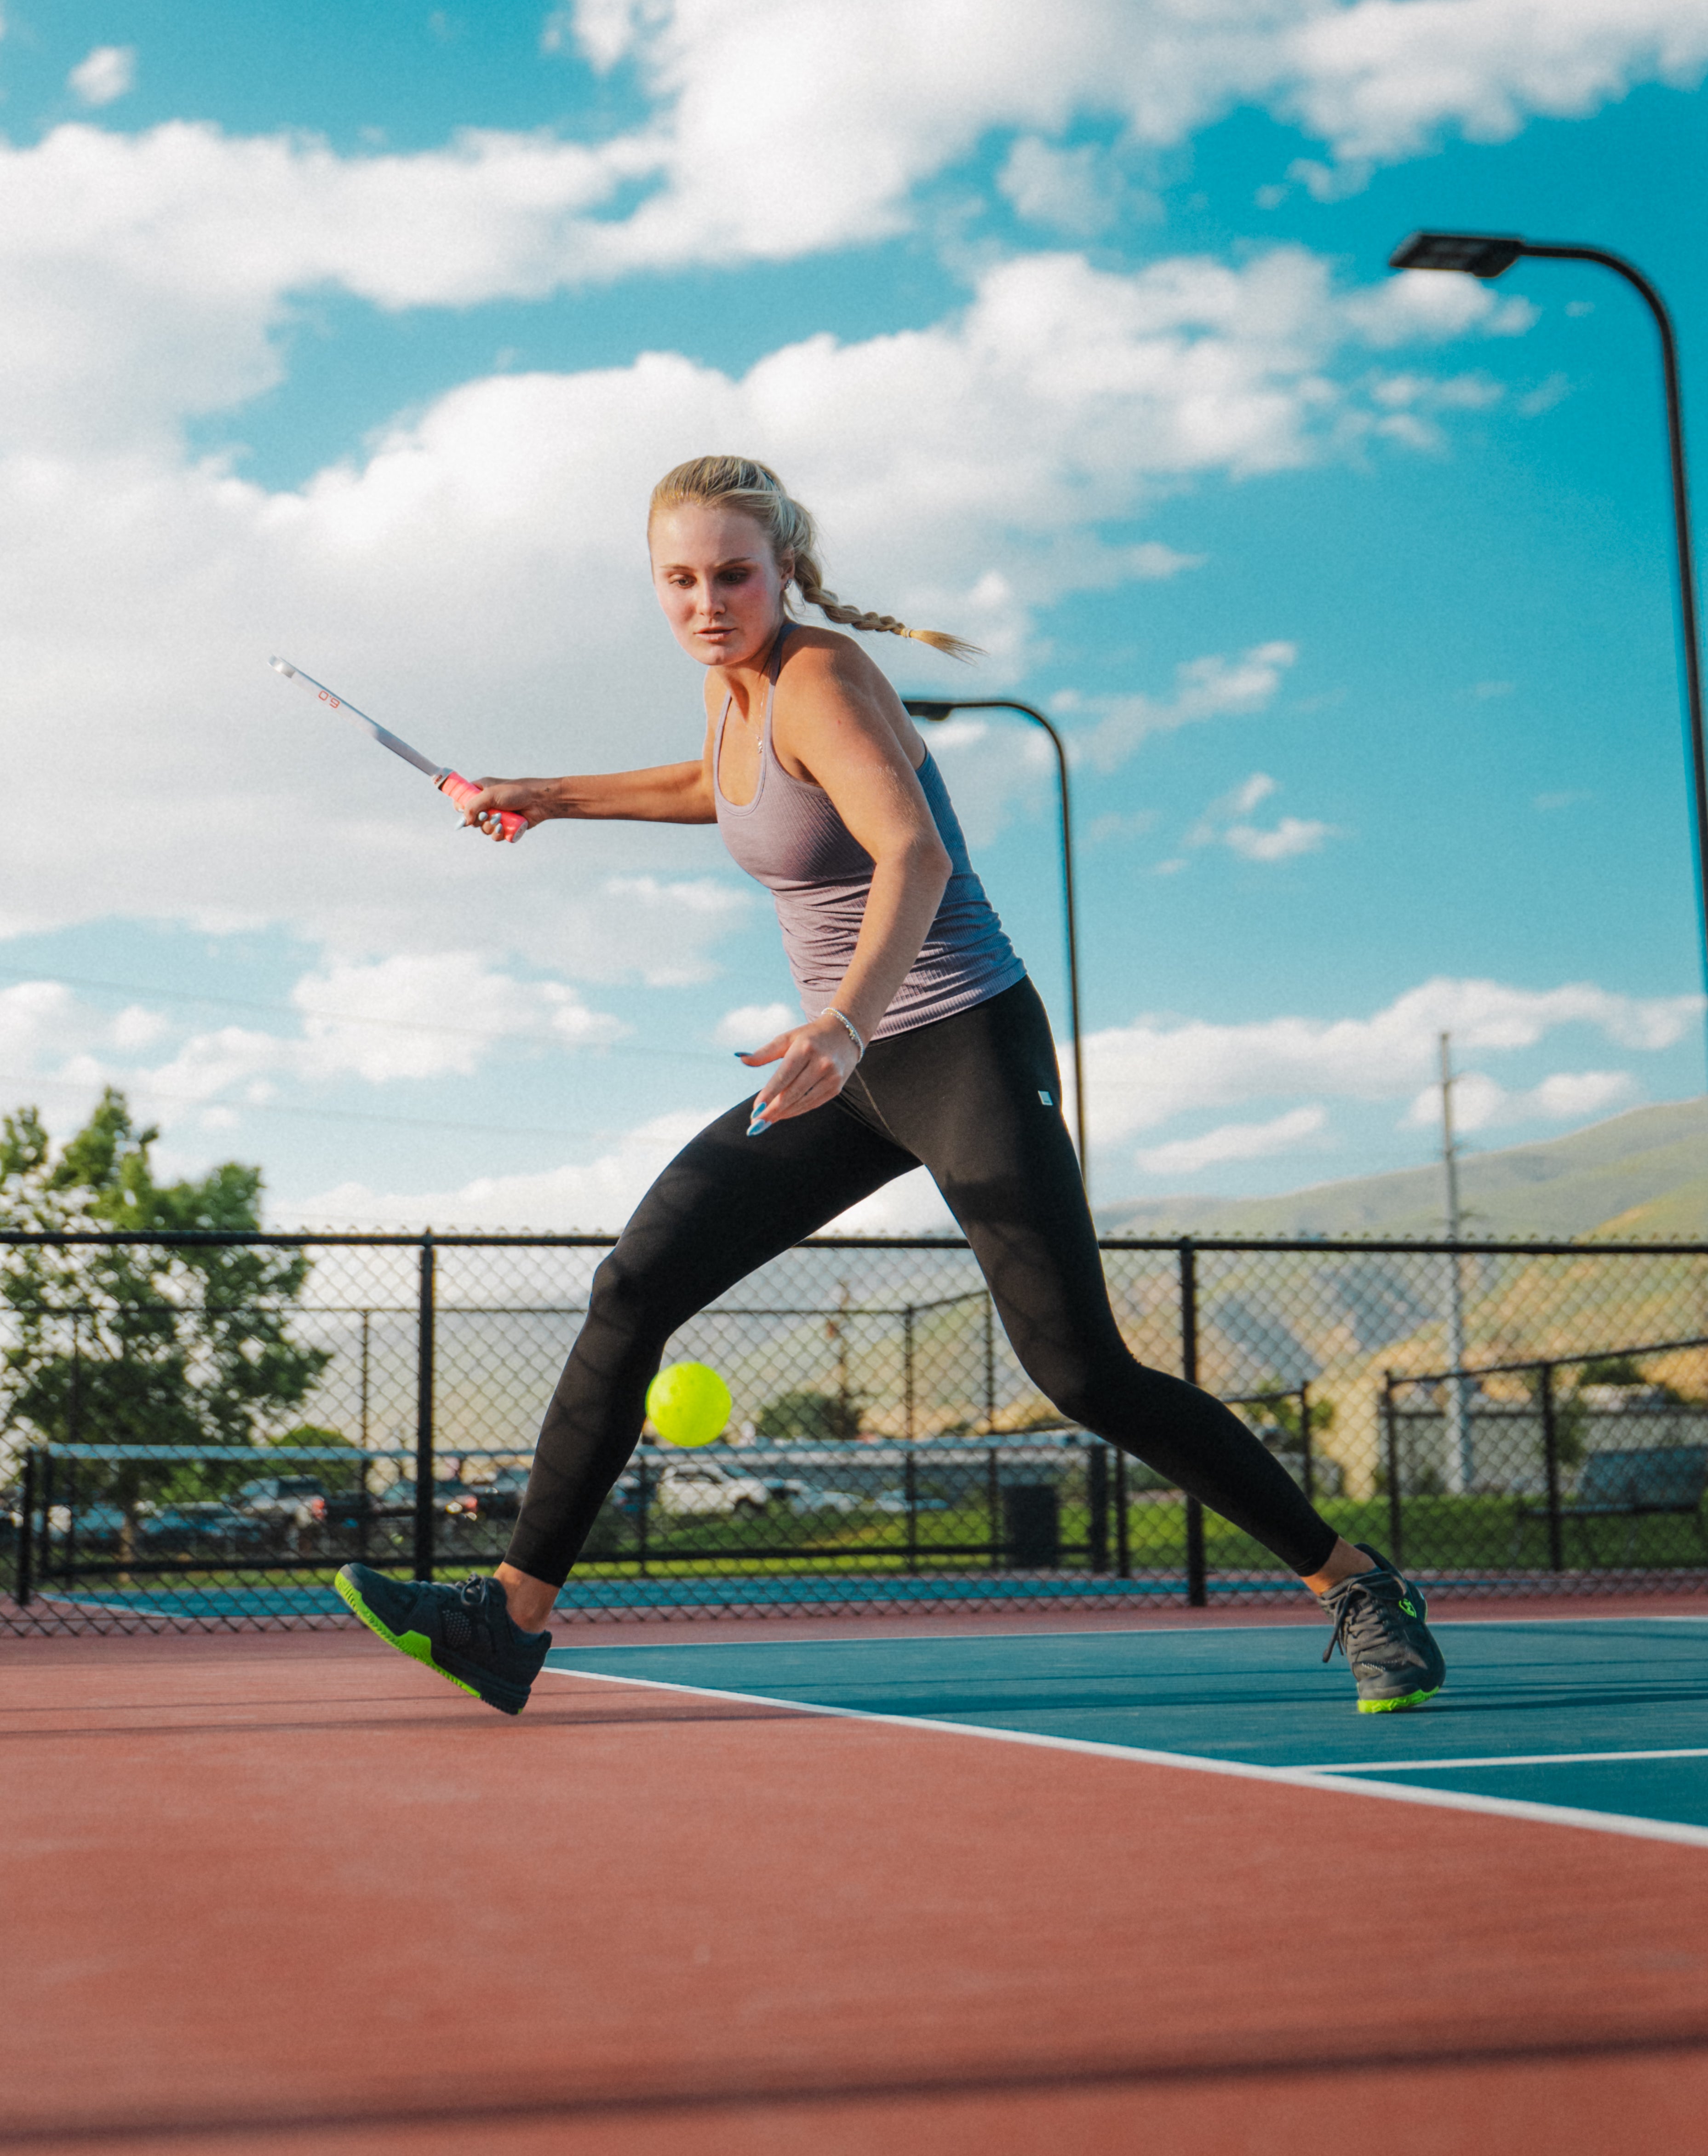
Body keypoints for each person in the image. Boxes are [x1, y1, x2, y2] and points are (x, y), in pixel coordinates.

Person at [337, 456, 1445, 1720]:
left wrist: (849, 1025)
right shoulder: (730, 692)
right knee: (634, 1284)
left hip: (954, 1039)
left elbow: (907, 849)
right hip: (844, 1062)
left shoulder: (817, 681)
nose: (708, 602)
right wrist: (549, 795)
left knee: (1080, 1373)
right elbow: (719, 791)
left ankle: (1355, 1583)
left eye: (734, 576)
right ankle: (508, 1622)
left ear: (785, 571)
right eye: (681, 580)